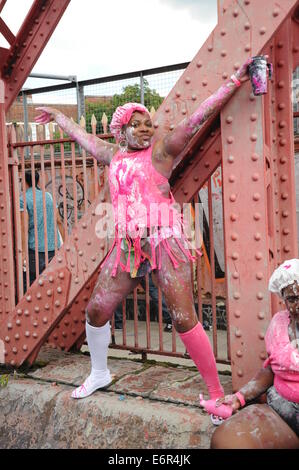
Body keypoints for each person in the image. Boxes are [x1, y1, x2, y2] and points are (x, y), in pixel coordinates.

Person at [35, 58, 252, 400]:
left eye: (148, 123)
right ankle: (100, 372)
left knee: (183, 317)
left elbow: (197, 119)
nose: (146, 129)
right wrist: (59, 117)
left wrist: (234, 81)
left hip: (165, 242)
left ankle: (214, 392)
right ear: (121, 131)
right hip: (127, 247)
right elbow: (80, 134)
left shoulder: (162, 151)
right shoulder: (113, 155)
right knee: (96, 310)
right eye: (136, 125)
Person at [207, 259, 299, 449]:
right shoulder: (280, 324)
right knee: (227, 442)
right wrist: (240, 397)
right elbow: (271, 370)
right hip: (281, 410)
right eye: (292, 298)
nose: (298, 304)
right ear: (284, 299)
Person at [20, 170, 64, 289]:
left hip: (35, 250)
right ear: (38, 181)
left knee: (34, 287)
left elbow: (23, 228)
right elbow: (59, 221)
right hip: (53, 248)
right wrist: (63, 246)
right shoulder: (48, 196)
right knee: (53, 285)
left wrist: (23, 253)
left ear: (24, 182)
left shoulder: (23, 199)